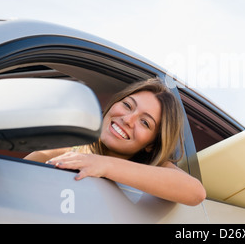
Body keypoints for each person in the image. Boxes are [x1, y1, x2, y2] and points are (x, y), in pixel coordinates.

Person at [24, 78, 206, 206]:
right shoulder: (61, 151)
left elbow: (196, 192)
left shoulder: (154, 169)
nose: (128, 119)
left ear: (152, 144)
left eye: (145, 122)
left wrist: (104, 165)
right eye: (127, 105)